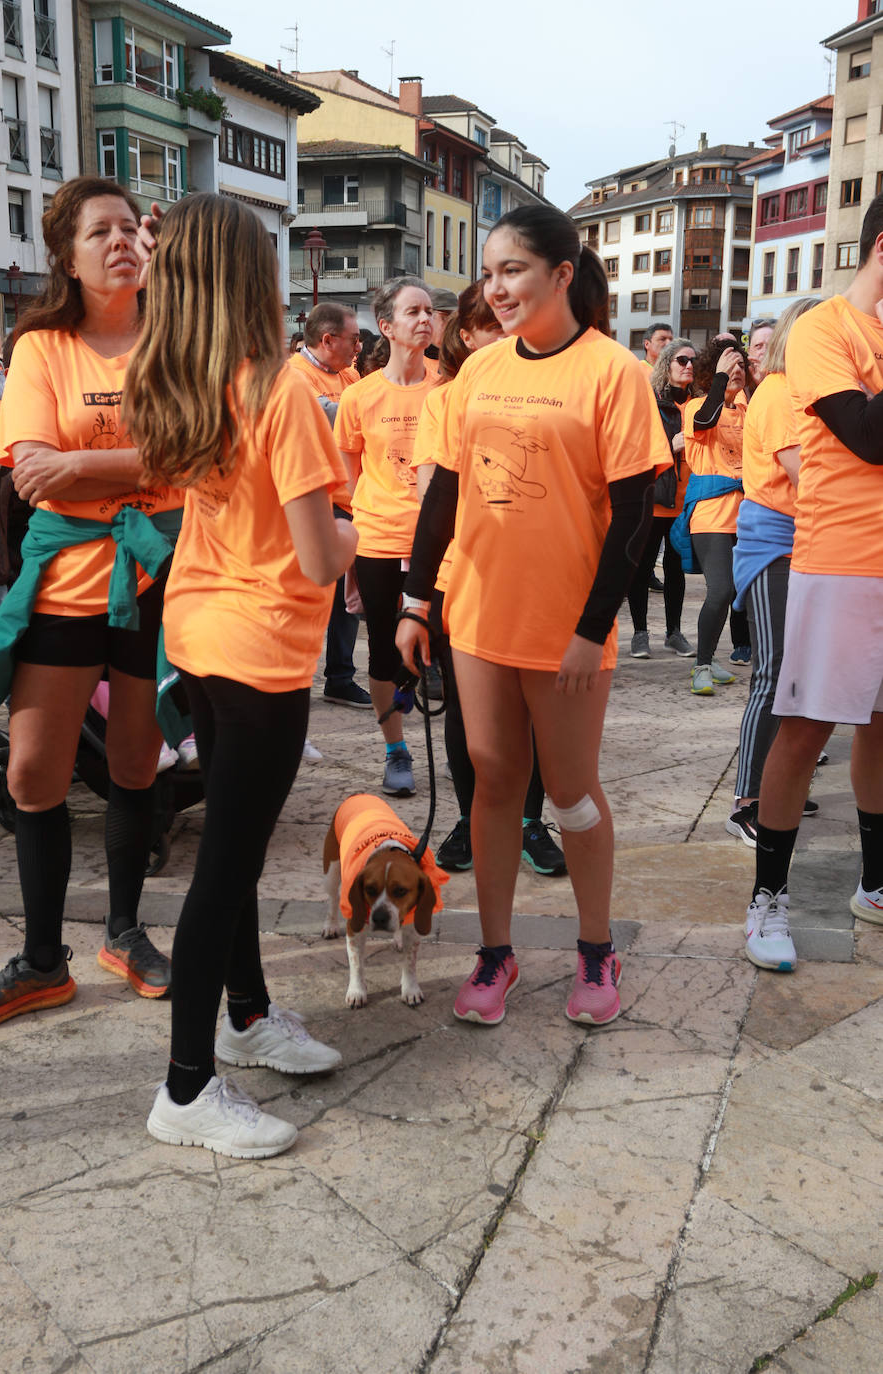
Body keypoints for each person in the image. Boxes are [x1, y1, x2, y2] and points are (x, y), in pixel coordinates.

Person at [124, 192, 355, 1157]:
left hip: (202, 630)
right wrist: (358, 529)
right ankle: (186, 1091)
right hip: (260, 646)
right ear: (249, 277)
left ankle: (249, 1014)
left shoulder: (177, 378)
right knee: (226, 868)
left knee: (237, 847)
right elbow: (315, 552)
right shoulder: (279, 386)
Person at [397, 205, 665, 1028]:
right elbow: (444, 492)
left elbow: (635, 518)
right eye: (488, 274)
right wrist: (416, 599)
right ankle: (496, 951)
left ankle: (594, 948)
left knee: (572, 795)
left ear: (560, 272)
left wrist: (592, 630)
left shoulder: (612, 372)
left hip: (566, 629)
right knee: (491, 780)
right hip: (477, 614)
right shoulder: (475, 371)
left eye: (513, 270)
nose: (497, 288)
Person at [0, 176, 181, 1029]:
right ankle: (42, 959)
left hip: (156, 576)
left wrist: (90, 468)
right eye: (102, 232)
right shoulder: (41, 347)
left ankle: (125, 931)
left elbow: (197, 451)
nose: (123, 242)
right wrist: (146, 463)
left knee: (136, 764)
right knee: (32, 773)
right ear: (68, 253)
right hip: (62, 581)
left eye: (132, 228)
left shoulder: (174, 339)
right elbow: (29, 463)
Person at [744, 194, 883, 971]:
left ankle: (876, 882)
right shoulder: (826, 329)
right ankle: (768, 897)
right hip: (843, 561)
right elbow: (866, 436)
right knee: (806, 728)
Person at [411, 284, 566, 879]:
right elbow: (433, 492)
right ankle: (471, 816)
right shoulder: (445, 400)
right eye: (490, 327)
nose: (505, 337)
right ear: (467, 335)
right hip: (463, 575)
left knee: (530, 710)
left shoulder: (551, 393)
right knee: (465, 710)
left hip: (536, 576)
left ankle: (528, 821)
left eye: (511, 325)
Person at [334, 276, 437, 797]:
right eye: (413, 311)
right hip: (376, 539)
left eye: (430, 311)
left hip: (437, 542)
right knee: (380, 653)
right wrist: (372, 516)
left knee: (438, 648)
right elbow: (350, 477)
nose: (425, 319)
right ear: (386, 326)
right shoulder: (359, 397)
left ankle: (451, 739)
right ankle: (396, 749)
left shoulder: (448, 386)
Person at [726, 301, 819, 846]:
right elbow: (805, 477)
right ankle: (746, 801)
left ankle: (775, 784)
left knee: (793, 675)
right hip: (772, 544)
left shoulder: (802, 393)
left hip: (802, 543)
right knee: (772, 670)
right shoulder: (781, 391)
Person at [288, 303, 370, 712]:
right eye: (354, 339)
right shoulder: (295, 377)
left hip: (351, 498)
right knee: (313, 597)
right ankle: (298, 680)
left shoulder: (350, 374)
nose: (360, 346)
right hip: (314, 499)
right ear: (327, 340)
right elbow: (340, 419)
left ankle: (339, 677)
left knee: (346, 600)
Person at [679, 337, 749, 695]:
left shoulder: (747, 409)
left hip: (747, 517)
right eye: (728, 365)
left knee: (735, 593)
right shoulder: (695, 406)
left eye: (740, 364)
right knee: (720, 590)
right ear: (713, 371)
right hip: (711, 517)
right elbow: (706, 421)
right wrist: (720, 380)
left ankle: (708, 656)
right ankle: (701, 666)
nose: (736, 371)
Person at [627, 339, 696, 659]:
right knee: (641, 569)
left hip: (686, 501)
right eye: (681, 360)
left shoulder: (699, 403)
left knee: (676, 569)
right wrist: (672, 444)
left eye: (693, 361)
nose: (688, 366)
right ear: (666, 365)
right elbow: (639, 449)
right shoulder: (651, 402)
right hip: (655, 498)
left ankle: (674, 632)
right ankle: (641, 633)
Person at [426, 288, 458, 359]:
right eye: (445, 317)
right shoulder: (413, 358)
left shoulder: (463, 357)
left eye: (455, 318)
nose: (452, 324)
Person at [745, 317, 776, 391]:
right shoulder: (739, 385)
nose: (765, 351)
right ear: (749, 352)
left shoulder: (790, 384)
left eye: (770, 346)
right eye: (758, 346)